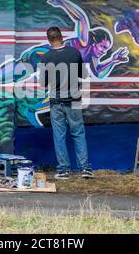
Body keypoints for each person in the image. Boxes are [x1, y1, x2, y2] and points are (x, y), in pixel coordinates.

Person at [0, 0, 128, 125]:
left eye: (106, 50)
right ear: (95, 41)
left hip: (48, 68)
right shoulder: (84, 40)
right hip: (38, 57)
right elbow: (81, 19)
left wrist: (113, 60)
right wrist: (63, 2)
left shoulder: (92, 58)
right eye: (103, 47)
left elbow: (100, 74)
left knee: (58, 88)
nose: (104, 52)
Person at [38, 26, 92, 179]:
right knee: (78, 133)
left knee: (59, 135)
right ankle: (85, 169)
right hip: (74, 99)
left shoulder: (46, 58)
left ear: (49, 40)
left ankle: (64, 170)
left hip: (56, 101)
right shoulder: (74, 53)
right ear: (61, 37)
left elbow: (42, 83)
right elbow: (84, 75)